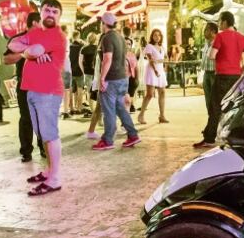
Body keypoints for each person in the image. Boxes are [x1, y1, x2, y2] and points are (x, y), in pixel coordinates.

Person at [8, 0, 68, 195]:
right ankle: (49, 170)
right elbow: (12, 44)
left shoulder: (57, 35)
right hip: (32, 90)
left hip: (48, 91)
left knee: (49, 135)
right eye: (47, 10)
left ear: (59, 16)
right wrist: (29, 52)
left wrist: (28, 51)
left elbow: (32, 49)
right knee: (42, 135)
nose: (50, 14)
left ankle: (54, 179)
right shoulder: (35, 33)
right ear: (41, 12)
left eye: (55, 11)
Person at [196, 11, 244, 148]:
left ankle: (209, 138)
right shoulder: (242, 37)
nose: (218, 24)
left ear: (224, 22)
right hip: (236, 77)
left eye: (219, 21)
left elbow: (212, 56)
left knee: (215, 107)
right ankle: (231, 134)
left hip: (222, 76)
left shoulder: (220, 37)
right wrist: (241, 70)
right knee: (232, 107)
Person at [91, 12, 140, 151]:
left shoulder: (107, 38)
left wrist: (102, 78)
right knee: (120, 108)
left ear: (104, 24)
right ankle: (132, 134)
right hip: (122, 78)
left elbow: (107, 59)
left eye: (101, 23)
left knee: (109, 111)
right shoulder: (120, 37)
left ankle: (107, 140)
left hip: (111, 79)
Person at [4, 12, 44, 162]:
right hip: (25, 85)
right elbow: (6, 59)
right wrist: (24, 54)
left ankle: (44, 148)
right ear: (34, 23)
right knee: (26, 118)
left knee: (42, 118)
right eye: (41, 23)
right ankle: (26, 151)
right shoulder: (18, 39)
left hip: (43, 84)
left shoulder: (44, 38)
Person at [139, 29, 169, 125]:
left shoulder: (162, 47)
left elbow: (166, 58)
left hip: (160, 70)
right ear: (152, 36)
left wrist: (163, 66)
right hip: (152, 71)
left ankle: (162, 115)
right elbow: (150, 59)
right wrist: (155, 69)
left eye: (159, 35)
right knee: (150, 94)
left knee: (163, 92)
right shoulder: (149, 46)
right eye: (155, 35)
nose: (157, 37)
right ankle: (141, 115)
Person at [200, 21, 218, 138]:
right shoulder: (207, 43)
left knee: (214, 102)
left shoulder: (217, 43)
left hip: (214, 74)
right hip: (207, 73)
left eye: (206, 29)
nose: (204, 32)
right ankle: (210, 126)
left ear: (212, 31)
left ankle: (214, 128)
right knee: (208, 102)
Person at [69, 32, 85, 116]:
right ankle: (79, 108)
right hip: (79, 71)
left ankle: (71, 107)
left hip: (71, 71)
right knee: (80, 90)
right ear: (78, 36)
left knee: (71, 91)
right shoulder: (81, 47)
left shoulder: (69, 47)